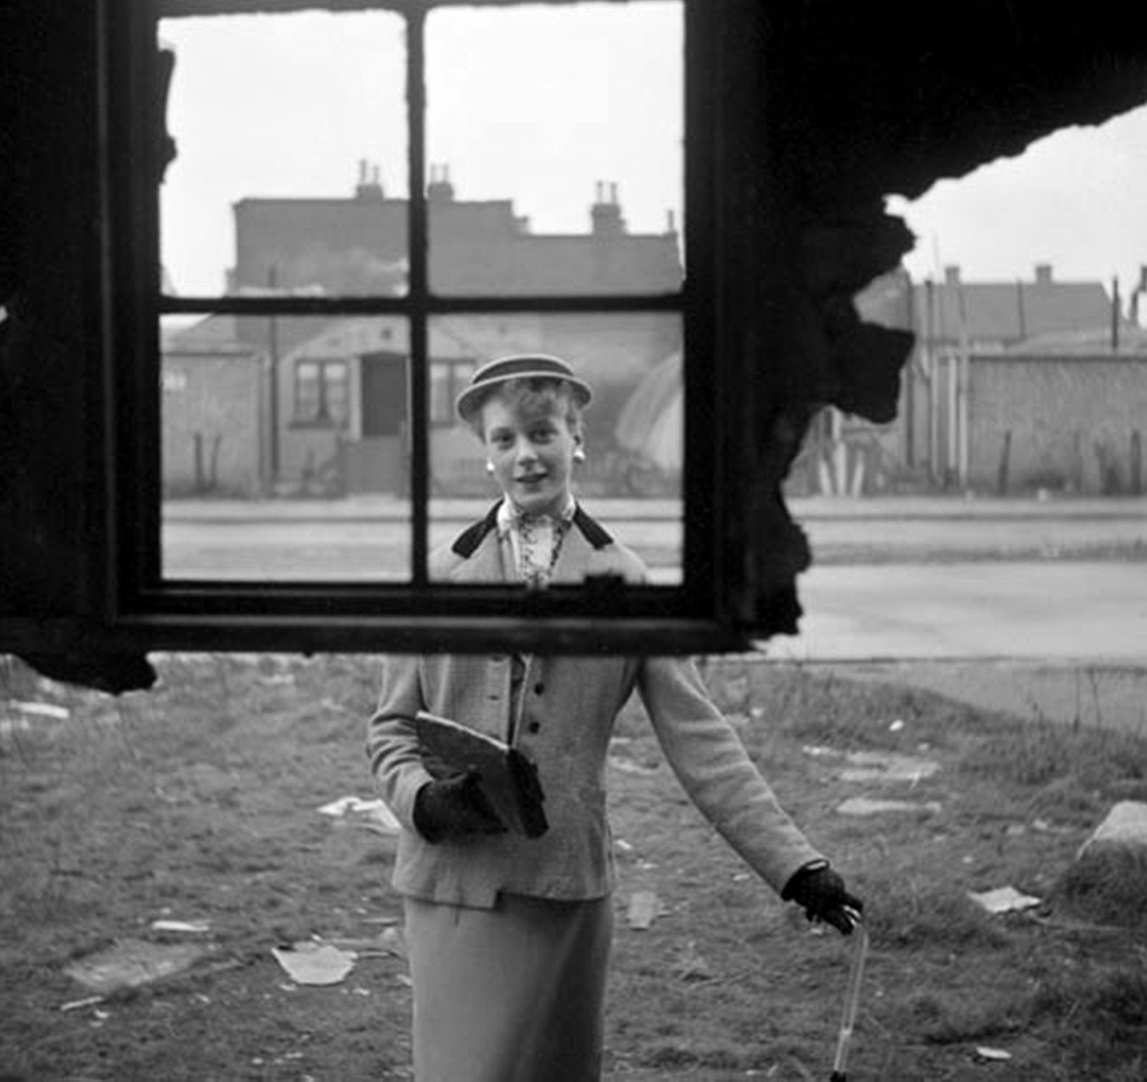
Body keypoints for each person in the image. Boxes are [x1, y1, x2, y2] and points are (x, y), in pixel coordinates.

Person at [367, 353, 862, 1082]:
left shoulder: (625, 581)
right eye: (505, 440)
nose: (526, 456)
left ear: (577, 439)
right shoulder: (436, 575)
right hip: (452, 887)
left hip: (562, 892)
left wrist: (795, 867)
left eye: (542, 433)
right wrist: (426, 801)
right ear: (487, 454)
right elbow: (389, 731)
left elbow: (700, 739)